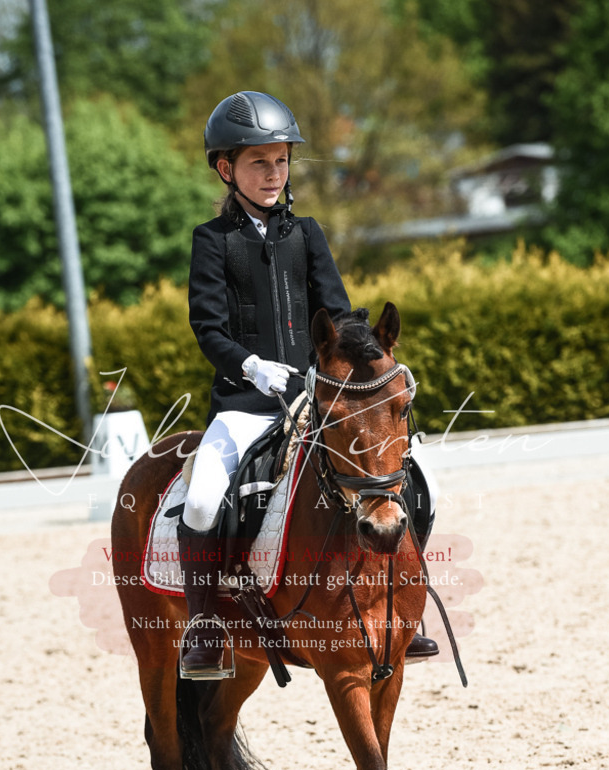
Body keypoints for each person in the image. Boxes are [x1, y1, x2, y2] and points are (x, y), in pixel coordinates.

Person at [180, 90, 436, 677]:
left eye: (281, 161)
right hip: (245, 405)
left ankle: (407, 608)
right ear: (227, 169)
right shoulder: (212, 241)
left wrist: (370, 359)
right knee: (201, 499)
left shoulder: (307, 233)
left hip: (317, 403)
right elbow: (208, 329)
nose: (274, 173)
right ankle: (205, 626)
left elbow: (340, 315)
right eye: (259, 163)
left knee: (420, 481)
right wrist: (250, 365)